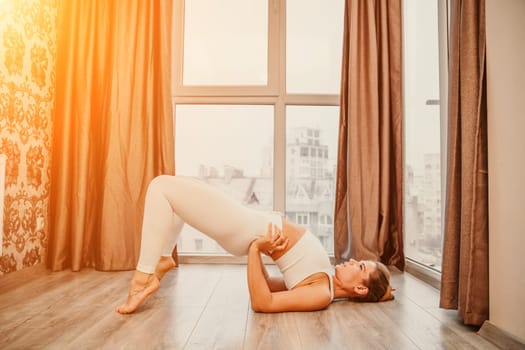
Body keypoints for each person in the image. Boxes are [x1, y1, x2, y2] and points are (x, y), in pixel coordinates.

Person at [117, 175, 394, 314]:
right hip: (248, 224)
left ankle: (142, 277)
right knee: (175, 201)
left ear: (359, 287)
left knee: (161, 186)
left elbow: (264, 303)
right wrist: (260, 250)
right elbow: (269, 285)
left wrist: (255, 248)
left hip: (244, 230)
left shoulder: (322, 294)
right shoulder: (323, 280)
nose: (351, 260)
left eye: (359, 266)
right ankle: (163, 258)